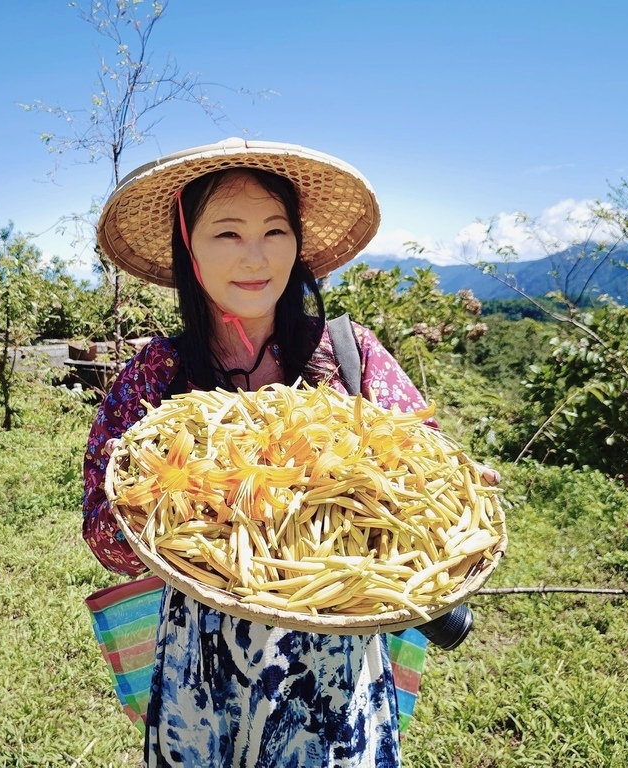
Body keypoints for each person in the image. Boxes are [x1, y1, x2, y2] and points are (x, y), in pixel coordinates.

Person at [82, 139, 495, 767]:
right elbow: (105, 543)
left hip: (335, 667)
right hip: (203, 665)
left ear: (298, 244)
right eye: (226, 233)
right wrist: (140, 496)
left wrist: (449, 497)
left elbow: (425, 458)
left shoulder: (349, 353)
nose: (255, 255)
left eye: (276, 230)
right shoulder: (156, 378)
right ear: (187, 246)